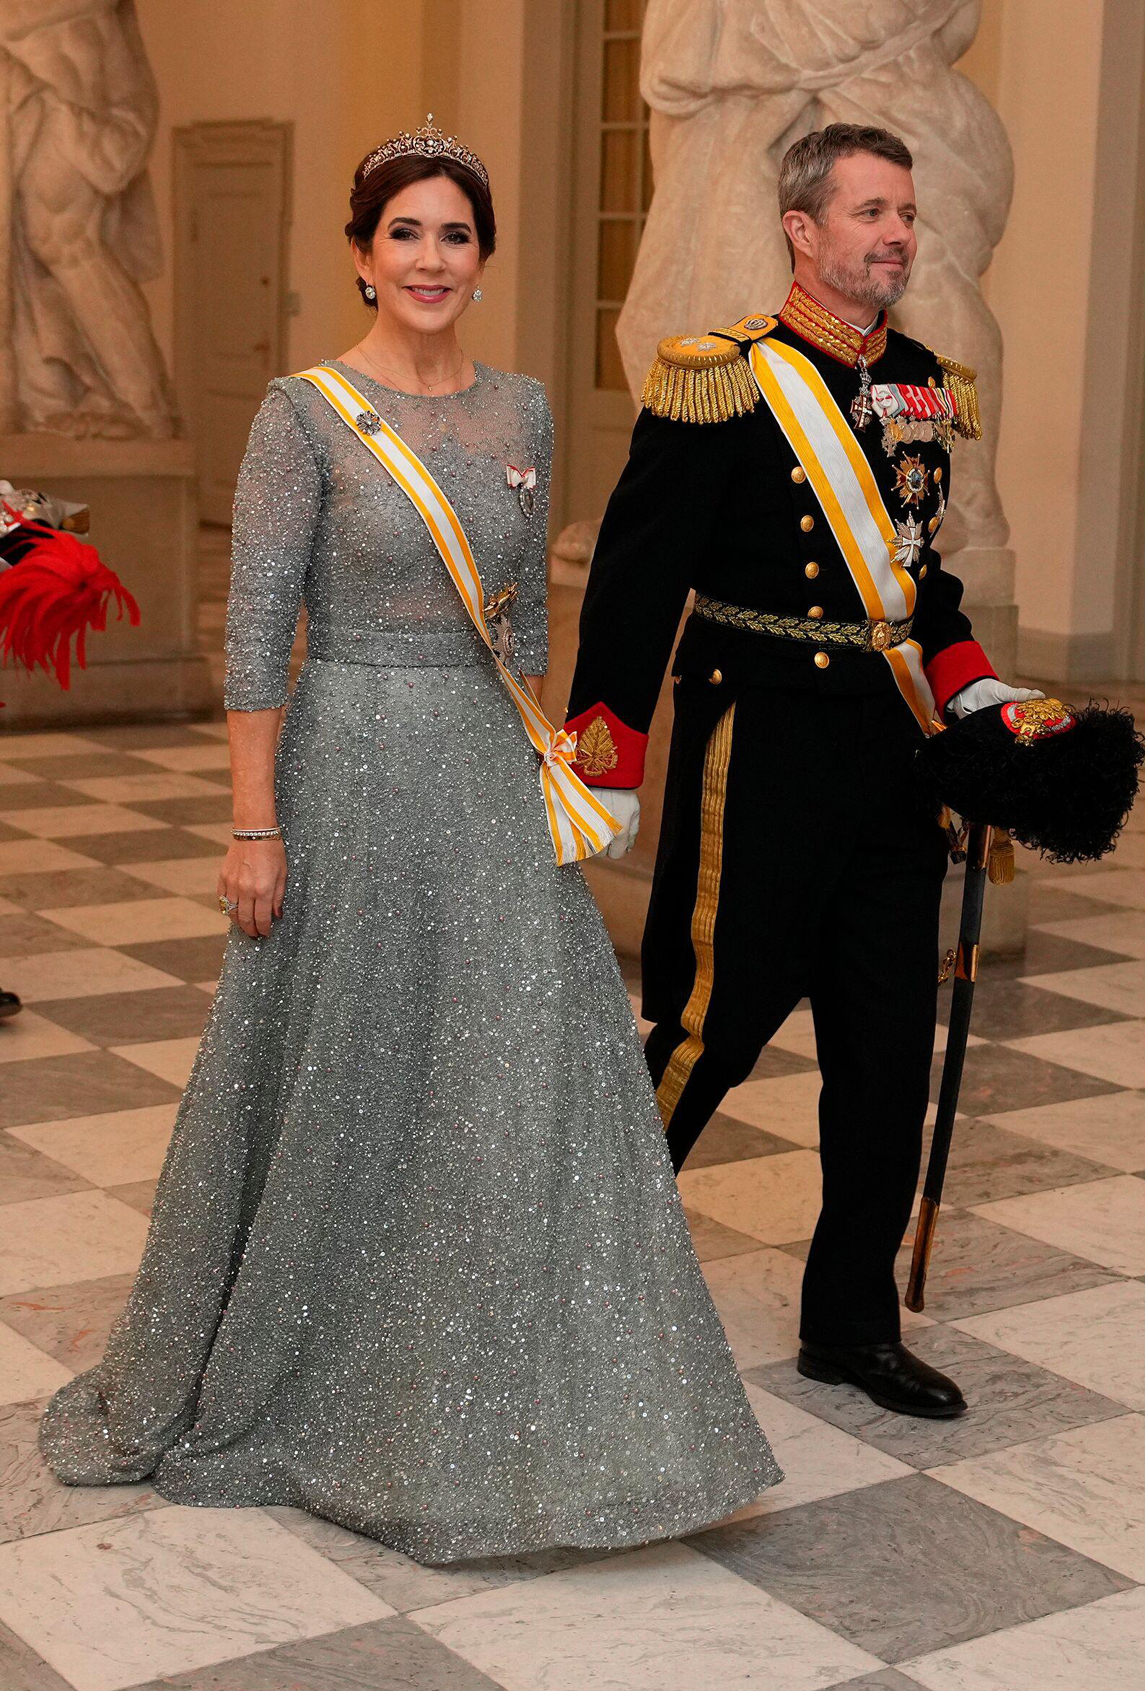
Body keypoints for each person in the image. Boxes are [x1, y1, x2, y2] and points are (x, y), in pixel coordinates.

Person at [40, 119, 780, 1562]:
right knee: (351, 1072)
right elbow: (259, 631)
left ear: (485, 261)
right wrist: (254, 823)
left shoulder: (524, 410)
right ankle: (325, 1378)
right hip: (346, 771)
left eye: (456, 234)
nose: (430, 258)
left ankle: (517, 1392)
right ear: (363, 255)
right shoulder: (300, 412)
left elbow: (527, 626)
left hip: (490, 774)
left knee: (518, 1081)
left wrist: (560, 763)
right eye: (405, 233)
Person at [565, 123, 1040, 1421]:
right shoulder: (721, 381)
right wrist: (599, 763)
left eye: (905, 212)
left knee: (886, 1055)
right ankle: (562, 1273)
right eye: (870, 211)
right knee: (708, 1033)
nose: (895, 234)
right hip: (757, 754)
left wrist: (990, 711)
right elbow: (632, 584)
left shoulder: (924, 386)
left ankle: (850, 1325)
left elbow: (919, 586)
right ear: (804, 230)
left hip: (891, 771)